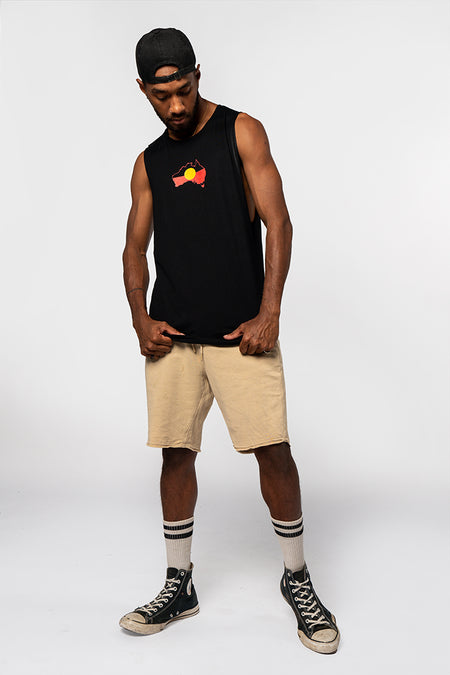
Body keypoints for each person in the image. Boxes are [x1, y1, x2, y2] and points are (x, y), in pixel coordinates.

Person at [119, 27, 340, 654]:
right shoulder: (148, 163)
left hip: (242, 334)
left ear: (197, 75)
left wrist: (270, 312)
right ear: (143, 90)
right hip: (174, 338)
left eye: (183, 90)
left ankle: (297, 577)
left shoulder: (241, 131)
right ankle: (179, 583)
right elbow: (133, 249)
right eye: (161, 96)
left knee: (273, 452)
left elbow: (279, 223)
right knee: (175, 455)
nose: (175, 106)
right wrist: (139, 318)